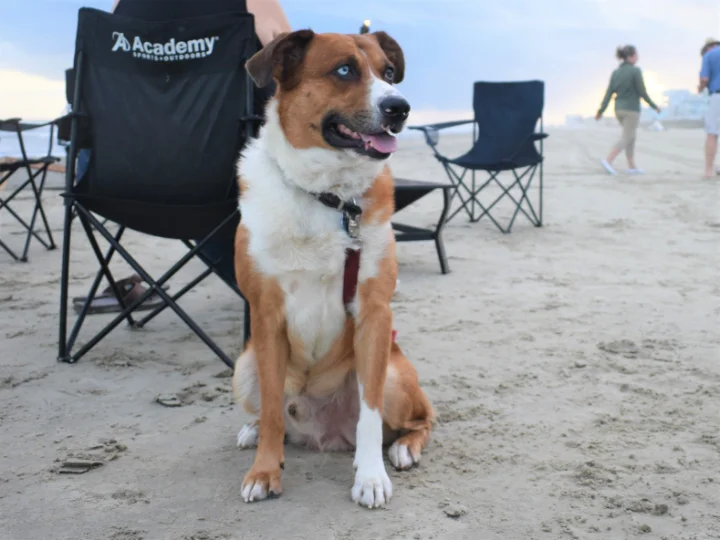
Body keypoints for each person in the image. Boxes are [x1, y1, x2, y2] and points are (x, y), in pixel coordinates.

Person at [73, 0, 291, 313]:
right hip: (221, 190)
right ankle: (276, 297)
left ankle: (269, 294)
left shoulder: (120, 8)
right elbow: (300, 83)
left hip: (115, 186)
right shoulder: (253, 3)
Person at [595, 45, 662, 176]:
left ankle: (631, 166)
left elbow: (608, 93)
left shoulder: (615, 73)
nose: (638, 57)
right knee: (628, 137)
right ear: (630, 57)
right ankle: (608, 160)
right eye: (636, 55)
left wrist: (600, 111)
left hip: (618, 110)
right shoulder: (635, 71)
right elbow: (642, 92)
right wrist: (655, 106)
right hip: (631, 109)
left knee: (631, 137)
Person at [699, 38, 720, 179]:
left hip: (717, 95)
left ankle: (708, 172)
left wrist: (700, 88)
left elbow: (704, 80)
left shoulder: (709, 55)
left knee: (712, 133)